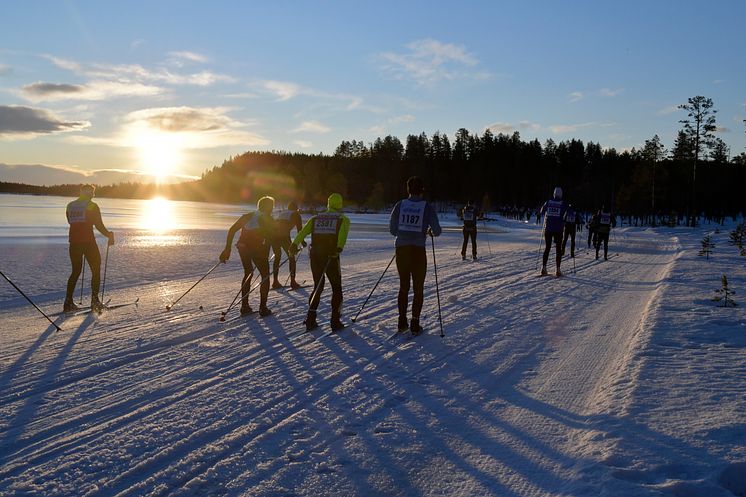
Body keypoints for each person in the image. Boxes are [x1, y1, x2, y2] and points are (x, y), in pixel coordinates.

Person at [389, 176, 442, 335]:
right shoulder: (427, 207)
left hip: (402, 249)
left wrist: (404, 234)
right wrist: (428, 231)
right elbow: (437, 231)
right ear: (422, 190)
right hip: (418, 250)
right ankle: (415, 322)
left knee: (403, 286)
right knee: (418, 288)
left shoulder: (400, 205)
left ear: (408, 190)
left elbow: (392, 229)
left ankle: (401, 322)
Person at [290, 193, 350, 331]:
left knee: (318, 286)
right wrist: (338, 248)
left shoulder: (316, 218)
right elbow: (342, 236)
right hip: (331, 255)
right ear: (340, 204)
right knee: (336, 288)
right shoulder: (342, 219)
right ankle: (335, 321)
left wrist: (294, 245)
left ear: (328, 204)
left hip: (315, 255)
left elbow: (303, 232)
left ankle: (311, 319)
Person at [220, 196, 275, 317]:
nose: (272, 209)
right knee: (265, 275)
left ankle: (244, 306)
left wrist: (227, 248)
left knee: (248, 272)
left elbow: (232, 230)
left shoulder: (248, 216)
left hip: (242, 246)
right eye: (272, 206)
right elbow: (270, 238)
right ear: (269, 207)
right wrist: (266, 254)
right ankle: (263, 308)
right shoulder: (268, 219)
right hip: (256, 248)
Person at [64, 184, 115, 312]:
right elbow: (98, 225)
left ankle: (68, 302)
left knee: (75, 271)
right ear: (91, 193)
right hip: (88, 242)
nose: (93, 194)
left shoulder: (70, 205)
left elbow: (70, 221)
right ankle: (94, 301)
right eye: (92, 192)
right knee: (96, 269)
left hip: (74, 243)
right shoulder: (92, 205)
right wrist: (109, 235)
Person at [271, 201, 303, 289]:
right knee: (291, 257)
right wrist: (302, 242)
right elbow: (300, 231)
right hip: (283, 236)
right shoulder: (296, 214)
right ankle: (293, 282)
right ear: (296, 209)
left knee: (277, 257)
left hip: (273, 236)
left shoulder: (282, 212)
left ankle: (275, 281)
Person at [539, 186, 566, 276]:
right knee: (558, 249)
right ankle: (558, 270)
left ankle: (544, 268)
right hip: (558, 230)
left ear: (554, 194)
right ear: (561, 194)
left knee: (547, 248)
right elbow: (570, 212)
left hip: (548, 229)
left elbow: (542, 211)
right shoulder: (562, 203)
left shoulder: (548, 202)